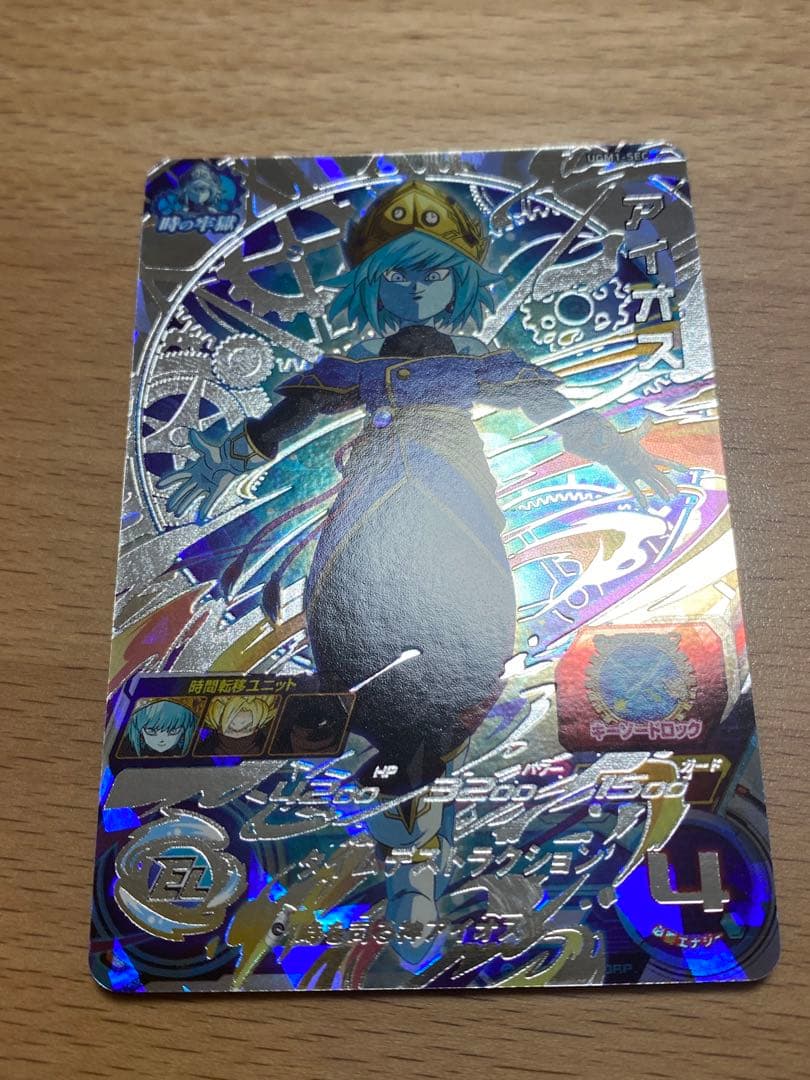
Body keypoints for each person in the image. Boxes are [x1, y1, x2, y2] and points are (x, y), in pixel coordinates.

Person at [159, 179, 677, 961]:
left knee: (440, 693)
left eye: (433, 273)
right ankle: (408, 852)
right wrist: (223, 461)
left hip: (453, 522)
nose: (416, 288)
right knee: (372, 680)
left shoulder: (484, 370)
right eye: (397, 274)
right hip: (367, 534)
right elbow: (284, 418)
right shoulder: (356, 372)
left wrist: (626, 455)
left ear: (463, 281)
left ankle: (418, 852)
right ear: (371, 284)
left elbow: (561, 414)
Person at [120, 698, 198, 758]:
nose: (161, 740)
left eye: (173, 731)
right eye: (151, 731)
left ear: (184, 731)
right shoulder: (127, 747)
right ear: (140, 730)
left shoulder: (196, 744)